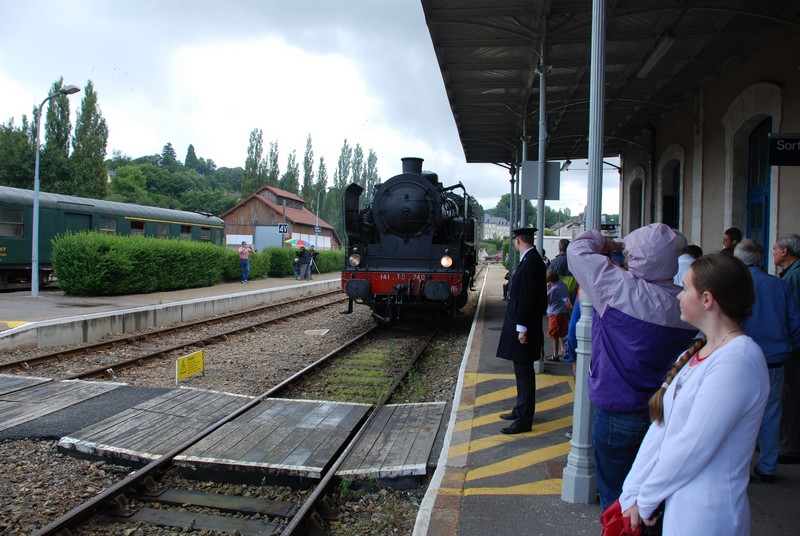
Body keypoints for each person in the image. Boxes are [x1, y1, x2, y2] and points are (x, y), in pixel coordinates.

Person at [620, 253, 769, 535]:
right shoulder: (701, 352)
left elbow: (693, 444)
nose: (679, 295)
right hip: (682, 508)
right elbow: (661, 430)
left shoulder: (738, 359)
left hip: (709, 516)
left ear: (707, 300)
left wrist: (647, 498)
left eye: (686, 288)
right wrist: (633, 492)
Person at [567, 223, 696, 509]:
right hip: (664, 415)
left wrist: (608, 243)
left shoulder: (616, 287)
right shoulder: (683, 304)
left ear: (634, 257)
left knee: (616, 500)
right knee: (652, 502)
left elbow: (577, 250)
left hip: (617, 411)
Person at [734, 239, 800, 482]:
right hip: (774, 358)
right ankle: (767, 466)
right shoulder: (778, 285)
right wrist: (790, 346)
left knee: (739, 415)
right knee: (772, 412)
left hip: (741, 360)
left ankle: (740, 468)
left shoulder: (734, 286)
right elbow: (794, 321)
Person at [496, 227, 547, 434]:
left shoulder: (531, 262)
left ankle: (524, 419)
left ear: (517, 241)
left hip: (525, 327)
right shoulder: (531, 260)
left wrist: (522, 329)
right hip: (524, 324)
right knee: (521, 370)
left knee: (525, 373)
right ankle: (520, 409)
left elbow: (526, 298)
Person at [774, 233, 800, 463]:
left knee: (790, 395)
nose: (773, 252)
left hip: (795, 346)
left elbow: (793, 315)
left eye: (775, 249)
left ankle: (790, 447)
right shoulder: (792, 274)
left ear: (785, 251)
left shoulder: (794, 276)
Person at [545, 270, 570, 361]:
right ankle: (564, 350)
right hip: (563, 312)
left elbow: (547, 301)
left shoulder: (553, 289)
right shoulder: (564, 285)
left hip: (554, 313)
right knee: (562, 333)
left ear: (550, 281)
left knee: (554, 335)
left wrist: (547, 289)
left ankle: (555, 355)